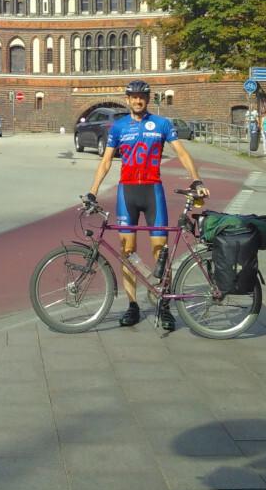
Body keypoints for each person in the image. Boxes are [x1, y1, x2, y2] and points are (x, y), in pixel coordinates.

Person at [85, 79, 208, 331]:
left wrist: (196, 179)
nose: (138, 100)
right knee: (127, 251)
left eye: (142, 97)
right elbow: (106, 162)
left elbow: (182, 153)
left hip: (153, 192)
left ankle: (164, 305)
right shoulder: (119, 127)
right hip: (127, 193)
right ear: (127, 99)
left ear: (148, 100)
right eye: (134, 97)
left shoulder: (162, 124)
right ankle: (132, 305)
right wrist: (93, 191)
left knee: (160, 251)